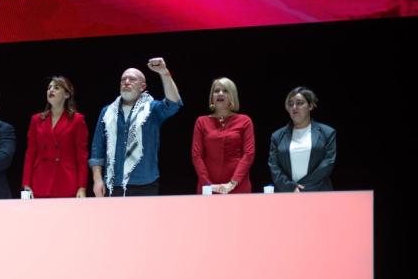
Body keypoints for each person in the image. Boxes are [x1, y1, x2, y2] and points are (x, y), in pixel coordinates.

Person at [90, 58, 182, 197]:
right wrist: (97, 180)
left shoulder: (152, 109)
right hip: (113, 184)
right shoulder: (107, 112)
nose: (126, 82)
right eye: (123, 79)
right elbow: (97, 149)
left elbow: (174, 104)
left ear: (142, 86)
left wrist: (164, 73)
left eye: (132, 79)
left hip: (145, 184)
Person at [22, 76, 89, 198]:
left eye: (56, 88)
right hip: (39, 180)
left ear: (67, 95)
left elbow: (82, 157)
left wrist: (82, 187)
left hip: (66, 180)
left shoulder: (77, 120)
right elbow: (30, 153)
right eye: (49, 88)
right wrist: (26, 184)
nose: (51, 90)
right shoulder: (36, 119)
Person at [191, 78, 255, 195]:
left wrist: (232, 183)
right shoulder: (201, 121)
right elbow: (197, 156)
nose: (220, 93)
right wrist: (208, 185)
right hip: (208, 188)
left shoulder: (245, 121)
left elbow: (249, 154)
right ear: (212, 97)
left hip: (238, 186)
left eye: (225, 91)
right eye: (217, 91)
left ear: (232, 96)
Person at [268, 87, 336, 192]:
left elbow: (327, 164)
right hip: (288, 194)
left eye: (299, 103)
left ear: (310, 106)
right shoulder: (277, 136)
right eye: (290, 104)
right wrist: (291, 187)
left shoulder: (327, 133)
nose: (294, 107)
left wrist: (302, 188)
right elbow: (274, 166)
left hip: (319, 193)